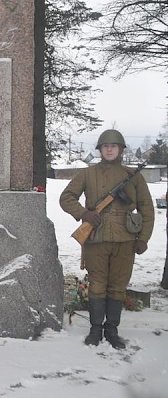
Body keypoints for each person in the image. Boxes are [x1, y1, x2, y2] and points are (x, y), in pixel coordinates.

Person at [59, 129, 154, 349]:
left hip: (126, 239)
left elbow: (147, 209)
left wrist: (143, 238)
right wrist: (84, 214)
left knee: (118, 286)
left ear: (121, 149)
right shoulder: (87, 174)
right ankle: (95, 329)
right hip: (96, 237)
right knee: (98, 285)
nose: (109, 149)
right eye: (105, 146)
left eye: (114, 146)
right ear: (100, 149)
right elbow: (66, 198)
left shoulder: (134, 176)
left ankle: (112, 329)